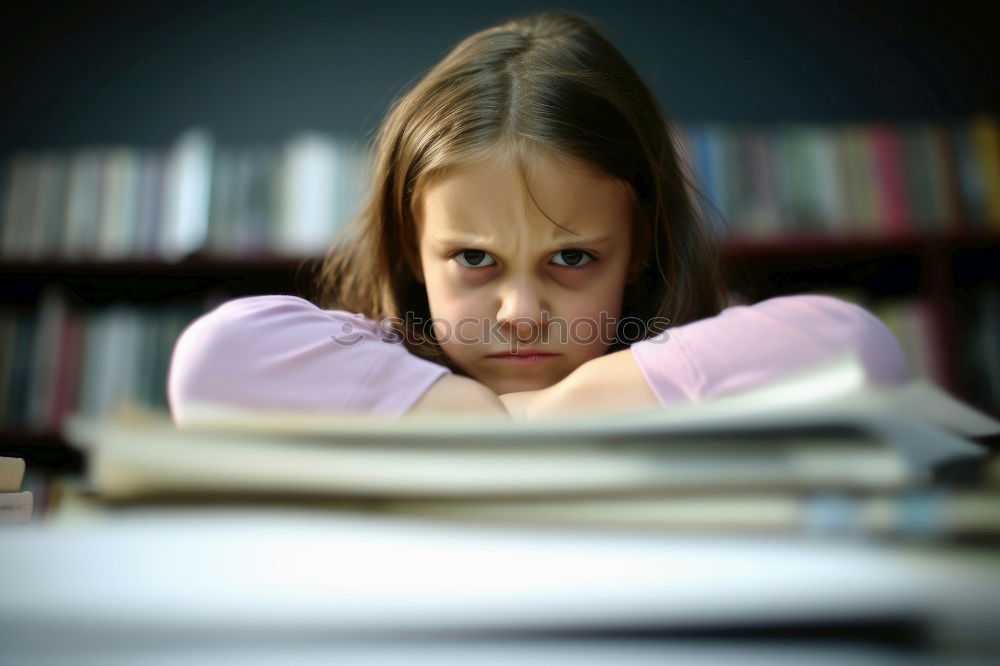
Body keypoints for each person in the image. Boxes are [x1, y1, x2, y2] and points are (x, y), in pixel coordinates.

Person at [167, 10, 908, 425]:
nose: (521, 315)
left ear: (642, 245)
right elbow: (213, 357)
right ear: (409, 248)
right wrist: (470, 415)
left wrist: (547, 413)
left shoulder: (708, 360)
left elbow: (861, 350)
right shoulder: (374, 360)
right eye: (474, 259)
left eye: (574, 258)